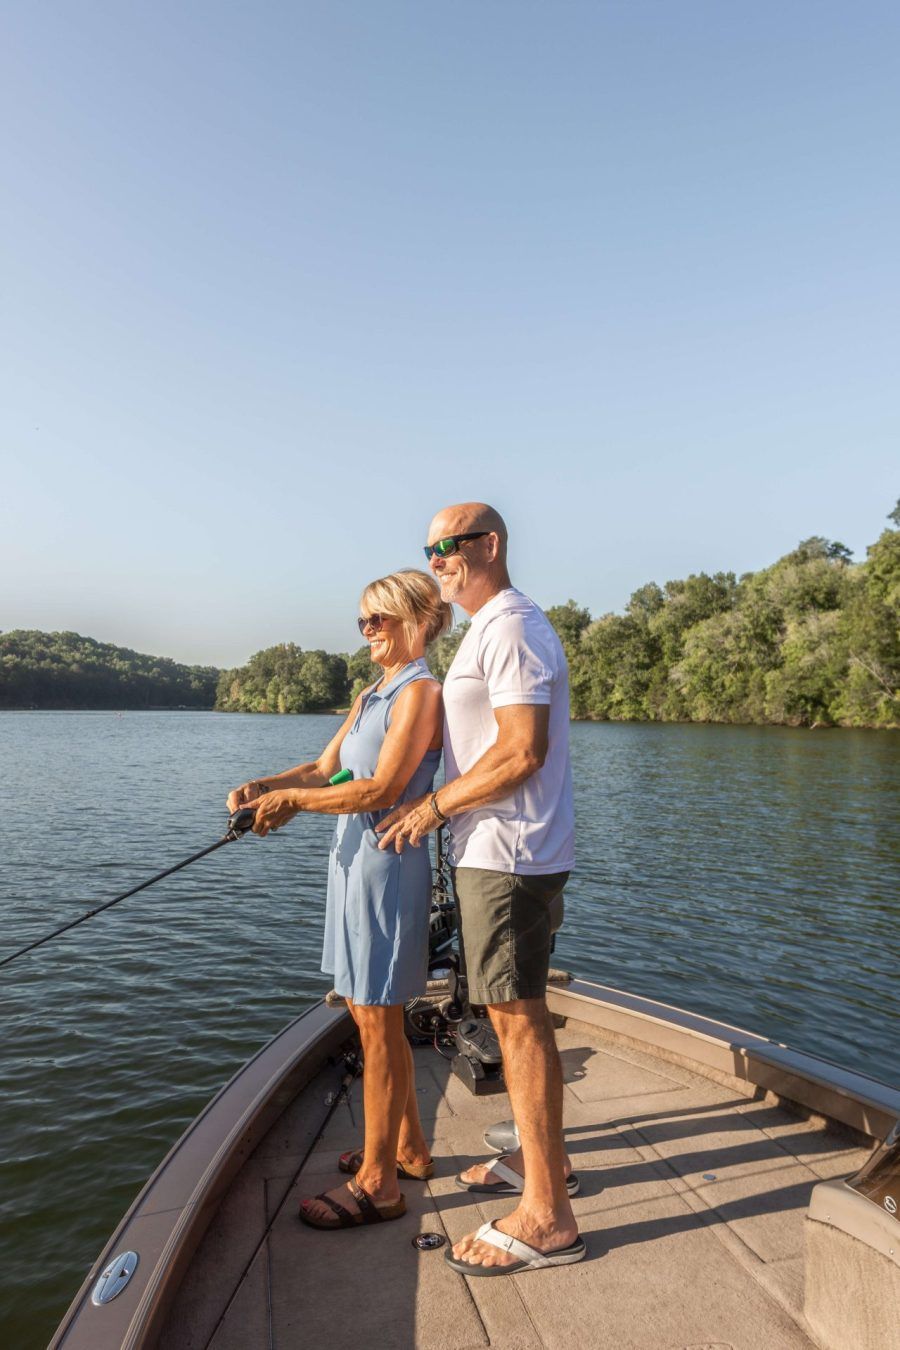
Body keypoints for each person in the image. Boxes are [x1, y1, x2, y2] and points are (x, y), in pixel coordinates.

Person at [378, 503, 584, 1274]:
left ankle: (547, 1217)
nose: (435, 559)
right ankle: (543, 1162)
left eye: (448, 545)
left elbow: (523, 750)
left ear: (489, 545)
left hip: (510, 854)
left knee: (517, 1018)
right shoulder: (487, 629)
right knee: (511, 1011)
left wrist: (432, 807)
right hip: (497, 850)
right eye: (428, 549)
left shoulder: (512, 627)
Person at [226, 568, 451, 1231]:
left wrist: (295, 803)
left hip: (389, 869)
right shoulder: (371, 694)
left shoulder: (421, 693)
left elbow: (383, 788)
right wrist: (266, 785)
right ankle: (408, 1149)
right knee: (365, 1010)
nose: (367, 630)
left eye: (379, 618)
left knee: (379, 1021)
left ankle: (379, 1185)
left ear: (417, 620)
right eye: (362, 620)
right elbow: (325, 770)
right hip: (350, 867)